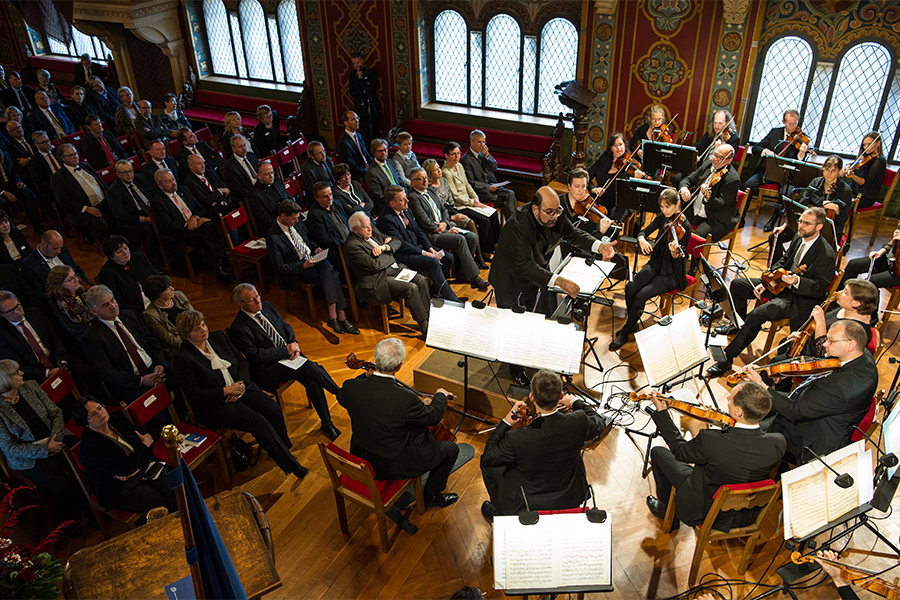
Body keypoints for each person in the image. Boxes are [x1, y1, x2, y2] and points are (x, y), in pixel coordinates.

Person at [489, 187, 615, 385]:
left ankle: (527, 350)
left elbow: (573, 234)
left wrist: (598, 246)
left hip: (532, 277)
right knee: (514, 324)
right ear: (535, 209)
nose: (555, 216)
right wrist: (559, 281)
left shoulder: (556, 214)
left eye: (557, 211)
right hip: (510, 280)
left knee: (528, 315)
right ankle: (515, 367)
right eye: (550, 212)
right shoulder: (518, 225)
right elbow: (525, 265)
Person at [174, 310, 310, 478]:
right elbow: (196, 395)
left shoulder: (217, 337)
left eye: (203, 324)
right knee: (257, 421)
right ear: (186, 335)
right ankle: (292, 465)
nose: (203, 330)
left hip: (240, 387)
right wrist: (226, 391)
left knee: (272, 408)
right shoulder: (183, 358)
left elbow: (241, 360)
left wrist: (241, 385)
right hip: (216, 404)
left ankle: (282, 448)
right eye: (196, 329)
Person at [707, 207, 836, 377]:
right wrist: (768, 282)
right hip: (780, 285)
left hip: (797, 298)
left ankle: (727, 358)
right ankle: (737, 327)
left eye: (806, 223)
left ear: (819, 226)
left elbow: (820, 288)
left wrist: (797, 281)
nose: (800, 226)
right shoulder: (799, 237)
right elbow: (783, 261)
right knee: (738, 285)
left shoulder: (826, 254)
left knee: (757, 314)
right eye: (800, 221)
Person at [645, 381, 785, 530]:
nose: (727, 399)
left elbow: (680, 451)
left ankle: (669, 515)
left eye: (731, 398)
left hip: (705, 511)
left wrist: (662, 415)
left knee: (658, 452)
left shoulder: (711, 440)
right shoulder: (778, 442)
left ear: (739, 412)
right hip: (745, 514)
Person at [338, 337, 459, 508]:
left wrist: (365, 375)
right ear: (400, 365)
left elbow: (343, 397)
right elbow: (432, 416)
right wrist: (440, 395)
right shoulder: (405, 398)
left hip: (363, 455)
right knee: (452, 449)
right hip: (392, 465)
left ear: (376, 360)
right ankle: (431, 497)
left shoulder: (351, 387)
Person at [741, 319, 877, 463]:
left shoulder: (838, 388)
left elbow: (794, 411)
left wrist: (762, 385)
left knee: (747, 432)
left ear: (851, 345)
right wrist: (788, 373)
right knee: (755, 401)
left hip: (809, 439)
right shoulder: (864, 357)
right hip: (814, 406)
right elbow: (822, 370)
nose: (825, 344)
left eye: (831, 341)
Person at [480, 369, 608, 520]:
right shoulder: (578, 421)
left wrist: (506, 422)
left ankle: (501, 511)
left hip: (529, 498)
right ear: (560, 397)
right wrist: (575, 402)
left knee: (487, 465)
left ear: (532, 397)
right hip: (568, 491)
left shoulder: (516, 437)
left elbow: (488, 457)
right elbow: (599, 422)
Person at [229, 283, 342, 440]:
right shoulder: (238, 328)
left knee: (311, 380)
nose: (258, 301)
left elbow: (286, 327)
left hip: (290, 355)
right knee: (310, 368)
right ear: (241, 304)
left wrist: (293, 345)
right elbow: (255, 356)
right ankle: (340, 394)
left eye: (258, 296)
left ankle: (327, 424)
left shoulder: (267, 306)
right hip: (270, 368)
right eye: (252, 300)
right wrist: (286, 350)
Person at [0, 360, 86, 537]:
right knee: (57, 483)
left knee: (84, 458)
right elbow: (9, 447)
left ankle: (90, 501)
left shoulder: (30, 386)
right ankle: (69, 519)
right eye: (16, 373)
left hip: (55, 436)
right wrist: (45, 450)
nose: (22, 373)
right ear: (4, 380)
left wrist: (56, 438)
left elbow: (55, 412)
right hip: (29, 454)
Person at [609, 188, 691, 351]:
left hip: (671, 272)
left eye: (668, 207)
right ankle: (633, 323)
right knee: (630, 287)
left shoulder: (685, 226)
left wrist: (674, 252)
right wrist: (642, 239)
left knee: (640, 295)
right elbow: (644, 231)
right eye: (661, 207)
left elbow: (682, 257)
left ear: (677, 204)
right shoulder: (662, 217)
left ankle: (626, 331)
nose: (664, 210)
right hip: (656, 264)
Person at [266, 200, 359, 335]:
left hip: (312, 258)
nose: (297, 220)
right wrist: (302, 265)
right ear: (282, 216)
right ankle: (340, 316)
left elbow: (307, 240)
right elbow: (280, 268)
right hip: (299, 269)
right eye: (294, 218)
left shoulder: (296, 223)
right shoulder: (273, 237)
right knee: (334, 275)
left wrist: (316, 248)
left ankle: (333, 316)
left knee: (329, 271)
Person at [74, 396, 178, 515]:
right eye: (93, 414)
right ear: (85, 423)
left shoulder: (117, 418)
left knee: (176, 486)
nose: (100, 413)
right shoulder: (89, 447)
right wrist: (142, 449)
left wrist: (134, 464)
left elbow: (146, 443)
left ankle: (193, 523)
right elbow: (130, 463)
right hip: (120, 489)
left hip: (145, 468)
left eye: (99, 407)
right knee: (161, 502)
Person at [344, 211, 431, 335]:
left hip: (393, 270)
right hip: (377, 280)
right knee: (410, 288)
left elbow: (396, 241)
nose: (370, 229)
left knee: (421, 280)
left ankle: (429, 318)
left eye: (369, 224)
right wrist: (390, 252)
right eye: (366, 227)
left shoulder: (371, 231)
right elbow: (375, 265)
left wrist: (385, 248)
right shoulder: (352, 246)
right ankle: (424, 326)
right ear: (355, 230)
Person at [81, 285, 168, 402]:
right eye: (105, 305)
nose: (113, 306)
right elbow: (107, 373)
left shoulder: (129, 315)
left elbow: (153, 341)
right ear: (94, 311)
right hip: (133, 382)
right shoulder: (92, 337)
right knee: (159, 410)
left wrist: (160, 364)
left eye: (112, 300)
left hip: (155, 368)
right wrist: (141, 381)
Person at [149, 168, 235, 283]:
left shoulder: (183, 190)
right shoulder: (157, 202)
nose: (173, 183)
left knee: (209, 226)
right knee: (210, 231)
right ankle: (222, 266)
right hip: (180, 233)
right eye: (168, 182)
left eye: (173, 179)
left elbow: (199, 208)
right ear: (160, 185)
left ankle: (221, 268)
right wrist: (189, 224)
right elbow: (168, 225)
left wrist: (195, 218)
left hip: (196, 225)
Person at [407, 167, 488, 288]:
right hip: (431, 235)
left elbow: (444, 209)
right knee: (460, 239)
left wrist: (445, 223)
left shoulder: (430, 191)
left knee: (472, 237)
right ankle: (474, 278)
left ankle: (462, 273)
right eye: (420, 179)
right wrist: (444, 228)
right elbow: (425, 222)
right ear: (413, 182)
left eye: (426, 178)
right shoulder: (413, 197)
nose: (425, 181)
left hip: (443, 227)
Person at [377, 185, 460, 301]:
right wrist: (424, 253)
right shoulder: (386, 219)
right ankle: (452, 299)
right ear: (392, 204)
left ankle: (435, 292)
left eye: (406, 197)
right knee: (433, 263)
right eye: (402, 200)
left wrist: (430, 248)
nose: (407, 201)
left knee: (448, 257)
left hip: (418, 247)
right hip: (403, 255)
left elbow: (418, 231)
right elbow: (401, 244)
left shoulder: (406, 209)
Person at [769, 155, 851, 263]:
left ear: (840, 171)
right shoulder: (816, 183)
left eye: (833, 171)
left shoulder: (845, 191)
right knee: (775, 237)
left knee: (807, 246)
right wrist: (785, 225)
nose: (829, 174)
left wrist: (836, 209)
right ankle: (777, 269)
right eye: (826, 170)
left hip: (828, 231)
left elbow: (843, 220)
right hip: (807, 224)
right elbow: (800, 207)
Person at [778, 278, 878, 363]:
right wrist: (803, 335)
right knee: (783, 344)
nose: (839, 293)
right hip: (808, 346)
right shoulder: (846, 309)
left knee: (775, 364)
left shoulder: (854, 330)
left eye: (845, 292)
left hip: (816, 364)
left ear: (856, 303)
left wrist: (820, 321)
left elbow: (822, 353)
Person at [747, 109, 809, 231]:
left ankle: (774, 219)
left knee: (787, 192)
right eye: (789, 123)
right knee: (749, 184)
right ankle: (741, 217)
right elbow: (756, 148)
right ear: (783, 122)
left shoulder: (801, 138)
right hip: (768, 172)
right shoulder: (775, 132)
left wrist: (801, 154)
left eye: (795, 123)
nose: (792, 127)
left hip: (785, 176)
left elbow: (800, 163)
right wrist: (766, 152)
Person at [423, 158, 493, 257]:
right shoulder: (429, 189)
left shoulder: (443, 180)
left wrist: (454, 212)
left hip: (451, 211)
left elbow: (450, 200)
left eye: (439, 168)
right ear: (429, 174)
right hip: (443, 219)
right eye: (436, 170)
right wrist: (451, 217)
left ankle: (478, 255)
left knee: (470, 222)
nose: (439, 171)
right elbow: (437, 209)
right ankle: (471, 258)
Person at [442, 142, 502, 251]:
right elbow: (455, 195)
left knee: (493, 214)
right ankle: (486, 250)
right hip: (460, 205)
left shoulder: (459, 166)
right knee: (485, 221)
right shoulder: (446, 172)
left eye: (458, 153)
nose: (457, 157)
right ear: (446, 155)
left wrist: (475, 197)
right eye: (453, 154)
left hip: (470, 201)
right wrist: (472, 202)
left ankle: (497, 243)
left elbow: (467, 184)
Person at [0, 290, 68, 381]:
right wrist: (47, 373)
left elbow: (55, 339)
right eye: (10, 311)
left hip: (55, 358)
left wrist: (61, 361)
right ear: (1, 314)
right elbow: (16, 365)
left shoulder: (35, 313)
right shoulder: (2, 334)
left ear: (18, 300)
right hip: (35, 372)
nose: (16, 312)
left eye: (17, 306)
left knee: (85, 370)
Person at [677, 143, 740, 243]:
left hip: (713, 218)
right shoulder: (707, 164)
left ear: (729, 161)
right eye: (715, 155)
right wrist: (684, 188)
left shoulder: (732, 179)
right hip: (694, 210)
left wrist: (708, 198)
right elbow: (688, 179)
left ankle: (696, 259)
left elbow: (721, 204)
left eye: (720, 158)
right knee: (673, 224)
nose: (715, 159)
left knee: (696, 240)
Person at [106, 159, 162, 268]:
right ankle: (154, 263)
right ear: (117, 174)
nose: (129, 174)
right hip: (135, 219)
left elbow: (154, 193)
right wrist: (144, 219)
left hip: (152, 208)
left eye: (130, 171)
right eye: (125, 172)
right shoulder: (114, 191)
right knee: (151, 231)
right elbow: (121, 215)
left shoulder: (140, 178)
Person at [51, 143, 109, 244]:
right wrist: (86, 208)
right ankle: (109, 248)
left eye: (76, 153)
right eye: (71, 155)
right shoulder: (57, 178)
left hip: (103, 201)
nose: (75, 156)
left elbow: (101, 183)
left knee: (122, 210)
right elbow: (64, 201)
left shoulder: (86, 165)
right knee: (101, 225)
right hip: (85, 210)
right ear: (63, 158)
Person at [18, 230, 87, 307]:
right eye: (55, 248)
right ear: (44, 244)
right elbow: (38, 292)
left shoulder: (62, 250)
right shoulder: (29, 264)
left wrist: (88, 286)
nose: (59, 251)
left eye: (60, 247)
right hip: (60, 301)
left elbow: (76, 269)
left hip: (79, 290)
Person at [460, 129, 517, 220]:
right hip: (482, 191)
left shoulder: (483, 154)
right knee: (506, 201)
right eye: (479, 142)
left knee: (510, 194)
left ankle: (511, 226)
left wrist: (487, 156)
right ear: (471, 142)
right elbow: (471, 182)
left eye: (484, 142)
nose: (482, 145)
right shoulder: (466, 160)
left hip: (493, 186)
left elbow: (494, 167)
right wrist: (488, 187)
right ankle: (512, 226)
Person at [97, 235, 157, 314]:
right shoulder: (107, 274)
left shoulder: (139, 257)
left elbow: (156, 277)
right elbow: (119, 301)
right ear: (111, 257)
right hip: (138, 310)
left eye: (125, 248)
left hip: (157, 298)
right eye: (119, 252)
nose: (125, 253)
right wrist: (139, 312)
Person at [142, 274, 194, 359]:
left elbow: (196, 317)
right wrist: (193, 336)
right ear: (157, 294)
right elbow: (172, 341)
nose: (172, 289)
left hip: (195, 336)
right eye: (168, 288)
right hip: (179, 349)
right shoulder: (151, 314)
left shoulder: (178, 296)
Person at [559, 167, 615, 243]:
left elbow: (592, 237)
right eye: (577, 186)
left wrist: (601, 231)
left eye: (583, 186)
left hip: (581, 246)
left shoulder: (590, 205)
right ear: (569, 186)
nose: (581, 190)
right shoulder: (559, 202)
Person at [840, 224, 900, 290]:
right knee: (853, 264)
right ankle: (839, 297)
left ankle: (857, 299)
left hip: (897, 273)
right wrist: (881, 252)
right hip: (890, 259)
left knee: (869, 282)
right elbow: (893, 242)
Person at [44, 266, 93, 344]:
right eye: (70, 279)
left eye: (75, 276)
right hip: (85, 336)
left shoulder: (85, 288)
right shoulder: (58, 304)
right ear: (59, 285)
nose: (76, 280)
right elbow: (72, 329)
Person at [305, 182, 352, 258]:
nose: (330, 198)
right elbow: (324, 239)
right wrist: (344, 243)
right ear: (317, 198)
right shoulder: (315, 214)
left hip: (350, 241)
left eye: (330, 194)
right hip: (336, 248)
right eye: (325, 196)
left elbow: (346, 221)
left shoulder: (337, 203)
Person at [181, 154, 234, 220]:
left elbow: (225, 188)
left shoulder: (209, 173)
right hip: (211, 210)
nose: (203, 166)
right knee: (233, 209)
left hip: (223, 202)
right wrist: (219, 191)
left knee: (238, 205)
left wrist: (220, 193)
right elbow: (205, 200)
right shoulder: (190, 182)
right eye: (199, 163)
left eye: (203, 163)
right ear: (191, 166)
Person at [846, 132, 886, 209]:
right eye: (864, 145)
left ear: (878, 143)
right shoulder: (865, 157)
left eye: (869, 144)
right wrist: (847, 167)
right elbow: (852, 165)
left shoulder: (879, 161)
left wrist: (852, 176)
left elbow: (864, 182)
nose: (866, 147)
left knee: (840, 201)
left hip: (865, 197)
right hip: (853, 190)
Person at [365, 138, 406, 214]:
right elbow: (379, 196)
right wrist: (396, 203)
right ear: (374, 152)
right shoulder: (371, 172)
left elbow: (400, 180)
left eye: (385, 150)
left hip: (401, 199)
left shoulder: (390, 162)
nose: (384, 153)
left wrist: (405, 195)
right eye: (380, 151)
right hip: (388, 205)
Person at [246, 161, 289, 233]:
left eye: (272, 172)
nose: (271, 176)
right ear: (259, 176)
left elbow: (288, 198)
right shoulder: (254, 194)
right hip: (272, 227)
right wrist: (282, 223)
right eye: (267, 174)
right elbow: (264, 218)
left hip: (287, 219)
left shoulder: (277, 181)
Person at [348, 52, 381, 144]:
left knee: (373, 131)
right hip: (360, 107)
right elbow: (352, 92)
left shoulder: (371, 73)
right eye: (354, 63)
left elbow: (369, 90)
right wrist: (359, 80)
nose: (356, 65)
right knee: (364, 131)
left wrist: (361, 80)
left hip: (371, 106)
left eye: (358, 63)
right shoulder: (352, 75)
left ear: (362, 61)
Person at [222, 134, 259, 204]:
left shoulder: (251, 155)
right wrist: (255, 194)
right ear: (233, 148)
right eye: (240, 147)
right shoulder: (229, 167)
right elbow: (237, 189)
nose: (244, 149)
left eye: (244, 145)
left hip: (261, 188)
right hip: (248, 195)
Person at [337, 110, 372, 180]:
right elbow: (351, 166)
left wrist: (375, 164)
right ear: (346, 123)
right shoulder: (344, 143)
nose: (357, 121)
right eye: (353, 120)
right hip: (358, 175)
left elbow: (365, 154)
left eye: (357, 119)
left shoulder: (358, 135)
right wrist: (368, 171)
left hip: (367, 169)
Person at [299, 141, 335, 208]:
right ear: (312, 156)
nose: (323, 154)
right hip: (321, 198)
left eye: (323, 151)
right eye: (319, 153)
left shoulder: (328, 160)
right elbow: (312, 190)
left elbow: (335, 177)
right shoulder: (306, 169)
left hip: (333, 192)